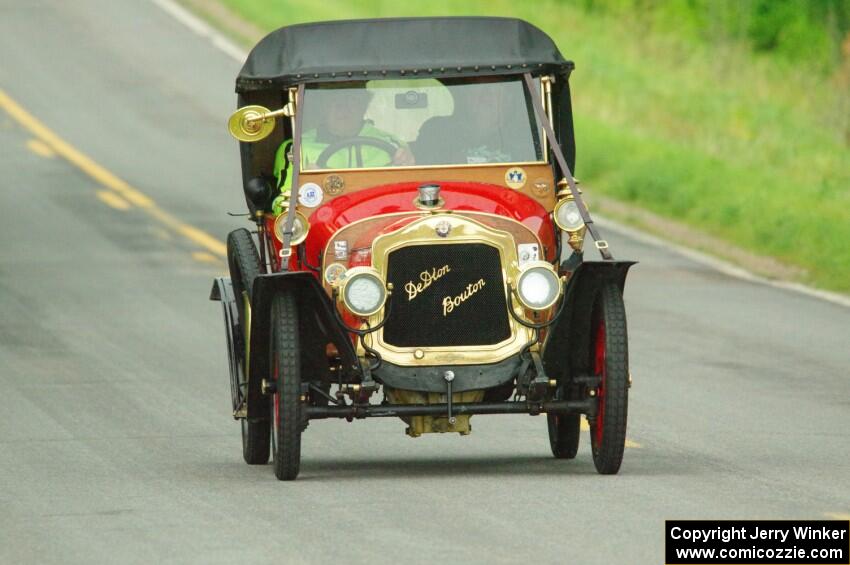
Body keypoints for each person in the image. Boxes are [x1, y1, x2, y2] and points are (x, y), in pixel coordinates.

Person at [272, 86, 414, 206]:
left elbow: (415, 194)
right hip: (324, 224)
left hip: (382, 218)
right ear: (323, 108)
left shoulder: (393, 144)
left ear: (363, 106)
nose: (343, 108)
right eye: (334, 100)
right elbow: (282, 206)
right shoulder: (297, 148)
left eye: (351, 99)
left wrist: (409, 168)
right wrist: (308, 186)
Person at [411, 78, 540, 166]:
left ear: (509, 101)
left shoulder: (527, 139)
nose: (487, 93)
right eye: (478, 85)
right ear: (466, 95)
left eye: (495, 87)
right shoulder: (436, 131)